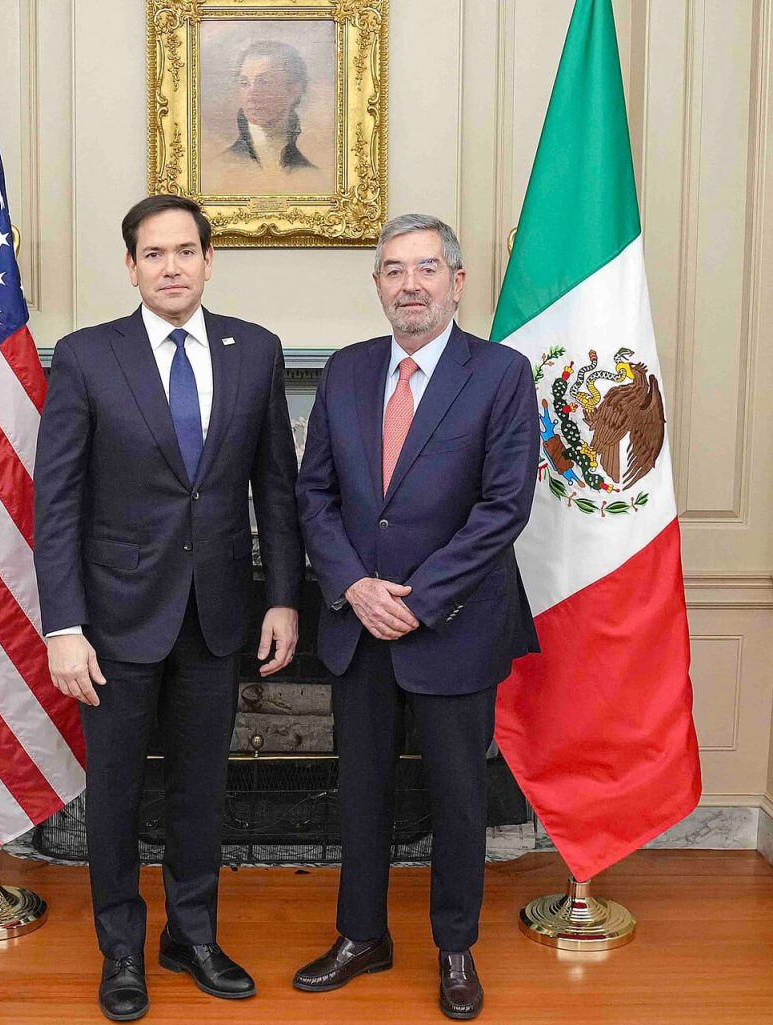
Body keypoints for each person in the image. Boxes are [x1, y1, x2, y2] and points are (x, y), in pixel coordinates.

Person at [33, 195, 303, 1022]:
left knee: (201, 790)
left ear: (210, 260)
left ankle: (192, 936)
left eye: (186, 251)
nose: (172, 267)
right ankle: (121, 948)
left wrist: (283, 598)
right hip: (113, 622)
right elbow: (57, 502)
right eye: (154, 254)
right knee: (116, 793)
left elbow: (276, 489)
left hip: (217, 615)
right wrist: (63, 626)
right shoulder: (87, 356)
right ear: (131, 267)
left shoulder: (256, 351)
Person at [293, 214, 540, 1020]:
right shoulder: (346, 370)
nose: (410, 285)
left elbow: (503, 507)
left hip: (454, 625)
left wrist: (420, 600)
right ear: (378, 285)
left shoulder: (501, 374)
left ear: (457, 282)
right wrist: (354, 587)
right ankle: (362, 935)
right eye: (394, 270)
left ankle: (455, 946)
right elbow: (314, 494)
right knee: (360, 791)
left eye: (427, 268)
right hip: (357, 624)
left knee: (458, 797)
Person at [224, 40, 316, 174]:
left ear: (293, 91)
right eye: (244, 83)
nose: (251, 94)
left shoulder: (309, 173)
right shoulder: (222, 165)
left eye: (264, 82)